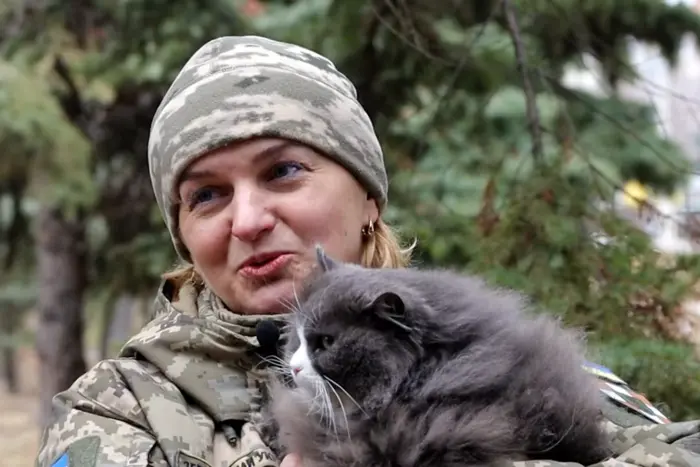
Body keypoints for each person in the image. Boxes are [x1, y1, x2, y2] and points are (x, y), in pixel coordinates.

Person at [36, 35, 700, 467]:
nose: (248, 219)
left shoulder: (494, 347)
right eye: (206, 195)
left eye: (283, 171)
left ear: (369, 197)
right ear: (183, 232)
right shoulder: (121, 406)